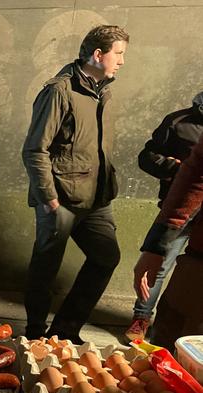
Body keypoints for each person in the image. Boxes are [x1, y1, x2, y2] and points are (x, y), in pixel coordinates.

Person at [22, 25, 129, 343]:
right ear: (98, 54)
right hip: (61, 199)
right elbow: (34, 149)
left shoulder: (104, 91)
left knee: (106, 257)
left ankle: (65, 330)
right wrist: (50, 199)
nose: (122, 61)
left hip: (97, 200)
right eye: (118, 53)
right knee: (46, 268)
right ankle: (35, 335)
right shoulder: (59, 91)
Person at [124, 92, 203, 341]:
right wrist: (177, 170)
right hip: (185, 215)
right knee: (162, 268)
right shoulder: (178, 122)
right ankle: (141, 317)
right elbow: (149, 158)